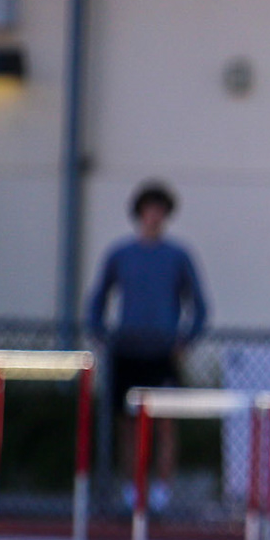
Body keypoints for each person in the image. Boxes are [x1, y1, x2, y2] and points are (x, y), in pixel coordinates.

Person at [85, 180, 208, 511]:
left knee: (165, 423)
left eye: (160, 210)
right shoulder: (121, 254)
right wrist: (101, 334)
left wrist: (185, 340)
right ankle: (131, 489)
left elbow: (199, 305)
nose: (154, 216)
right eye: (148, 210)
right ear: (139, 213)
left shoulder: (178, 256)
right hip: (127, 351)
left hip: (162, 352)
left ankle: (162, 492)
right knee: (128, 423)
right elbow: (97, 299)